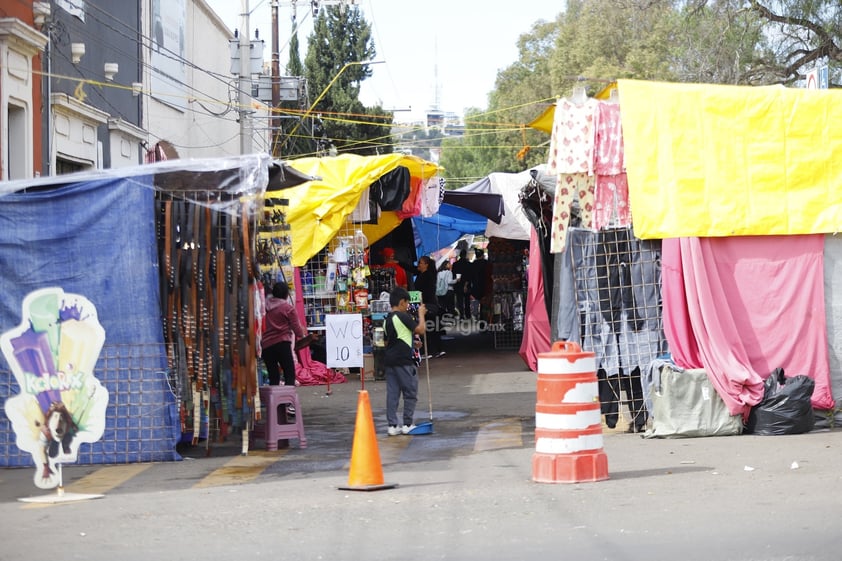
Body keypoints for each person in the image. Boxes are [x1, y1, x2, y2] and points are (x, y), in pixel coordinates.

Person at [383, 287, 426, 436]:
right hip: (403, 361)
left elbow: (392, 340)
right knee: (410, 392)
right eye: (407, 303)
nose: (408, 306)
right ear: (402, 303)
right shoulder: (403, 316)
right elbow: (421, 329)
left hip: (390, 360)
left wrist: (412, 343)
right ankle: (407, 424)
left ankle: (392, 426)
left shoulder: (387, 319)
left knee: (393, 394)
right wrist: (421, 314)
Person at [261, 282, 307, 395]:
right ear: (286, 294)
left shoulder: (263, 306)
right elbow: (298, 331)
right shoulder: (288, 308)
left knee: (273, 376)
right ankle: (288, 401)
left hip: (266, 345)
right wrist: (303, 330)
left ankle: (274, 402)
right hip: (282, 344)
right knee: (289, 374)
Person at [414, 255, 444, 358]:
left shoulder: (427, 276)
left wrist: (420, 300)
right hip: (429, 304)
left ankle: (429, 351)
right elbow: (412, 268)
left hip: (428, 305)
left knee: (428, 328)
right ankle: (437, 350)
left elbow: (427, 292)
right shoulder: (422, 274)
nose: (418, 265)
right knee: (432, 328)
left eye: (420, 263)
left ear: (426, 265)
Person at [470, 248, 493, 321]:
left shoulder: (473, 264)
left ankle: (476, 316)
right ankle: (483, 320)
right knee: (484, 305)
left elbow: (470, 276)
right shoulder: (487, 263)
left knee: (476, 302)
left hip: (475, 287)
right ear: (482, 255)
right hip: (485, 287)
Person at [451, 249, 472, 319]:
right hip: (467, 284)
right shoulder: (469, 264)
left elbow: (453, 275)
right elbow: (470, 276)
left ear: (460, 255)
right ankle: (468, 315)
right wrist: (466, 285)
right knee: (467, 301)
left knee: (460, 301)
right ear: (465, 255)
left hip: (458, 284)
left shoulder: (455, 264)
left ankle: (462, 315)